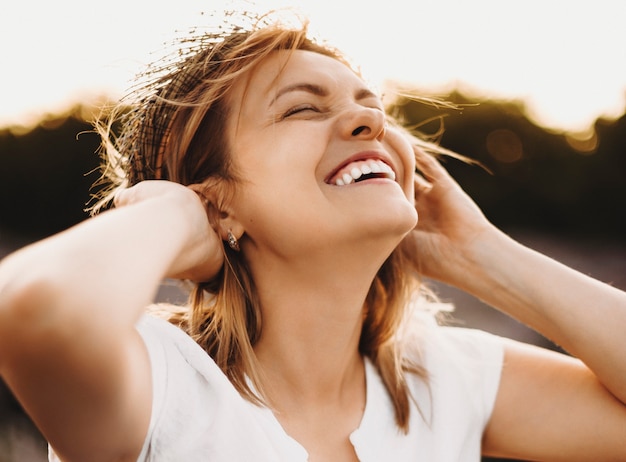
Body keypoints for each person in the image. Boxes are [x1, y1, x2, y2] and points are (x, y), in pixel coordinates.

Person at [1, 8, 625, 462]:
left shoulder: (440, 381)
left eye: (371, 105)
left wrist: (483, 255)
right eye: (303, 107)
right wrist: (175, 213)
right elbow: (34, 311)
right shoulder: (160, 384)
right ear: (215, 200)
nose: (369, 120)